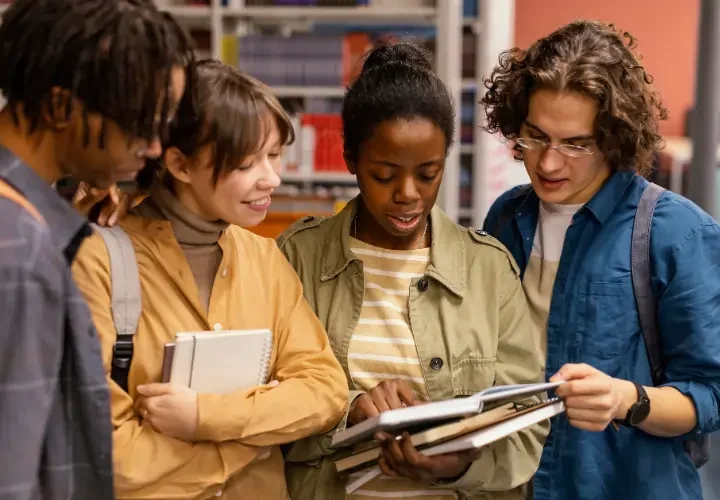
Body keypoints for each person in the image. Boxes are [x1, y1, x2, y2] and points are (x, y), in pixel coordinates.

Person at [278, 42, 548, 500]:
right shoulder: (296, 258)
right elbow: (260, 404)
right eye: (384, 175)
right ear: (350, 161)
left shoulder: (488, 269)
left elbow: (527, 426)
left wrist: (458, 463)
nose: (408, 194)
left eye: (428, 174)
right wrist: (347, 415)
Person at [71, 60, 349, 500]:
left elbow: (325, 392)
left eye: (274, 155)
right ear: (180, 164)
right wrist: (248, 444)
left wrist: (205, 417)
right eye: (245, 163)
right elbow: (106, 452)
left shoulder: (264, 258)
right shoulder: (99, 258)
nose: (271, 179)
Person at [481, 20, 720, 500]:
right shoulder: (507, 217)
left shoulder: (676, 233)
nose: (549, 163)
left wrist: (626, 399)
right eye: (535, 136)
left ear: (613, 137)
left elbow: (711, 393)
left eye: (576, 144)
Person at [0, 0, 192, 498]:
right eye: (139, 123)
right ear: (61, 107)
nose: (153, 148)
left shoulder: (36, 223)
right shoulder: (19, 248)